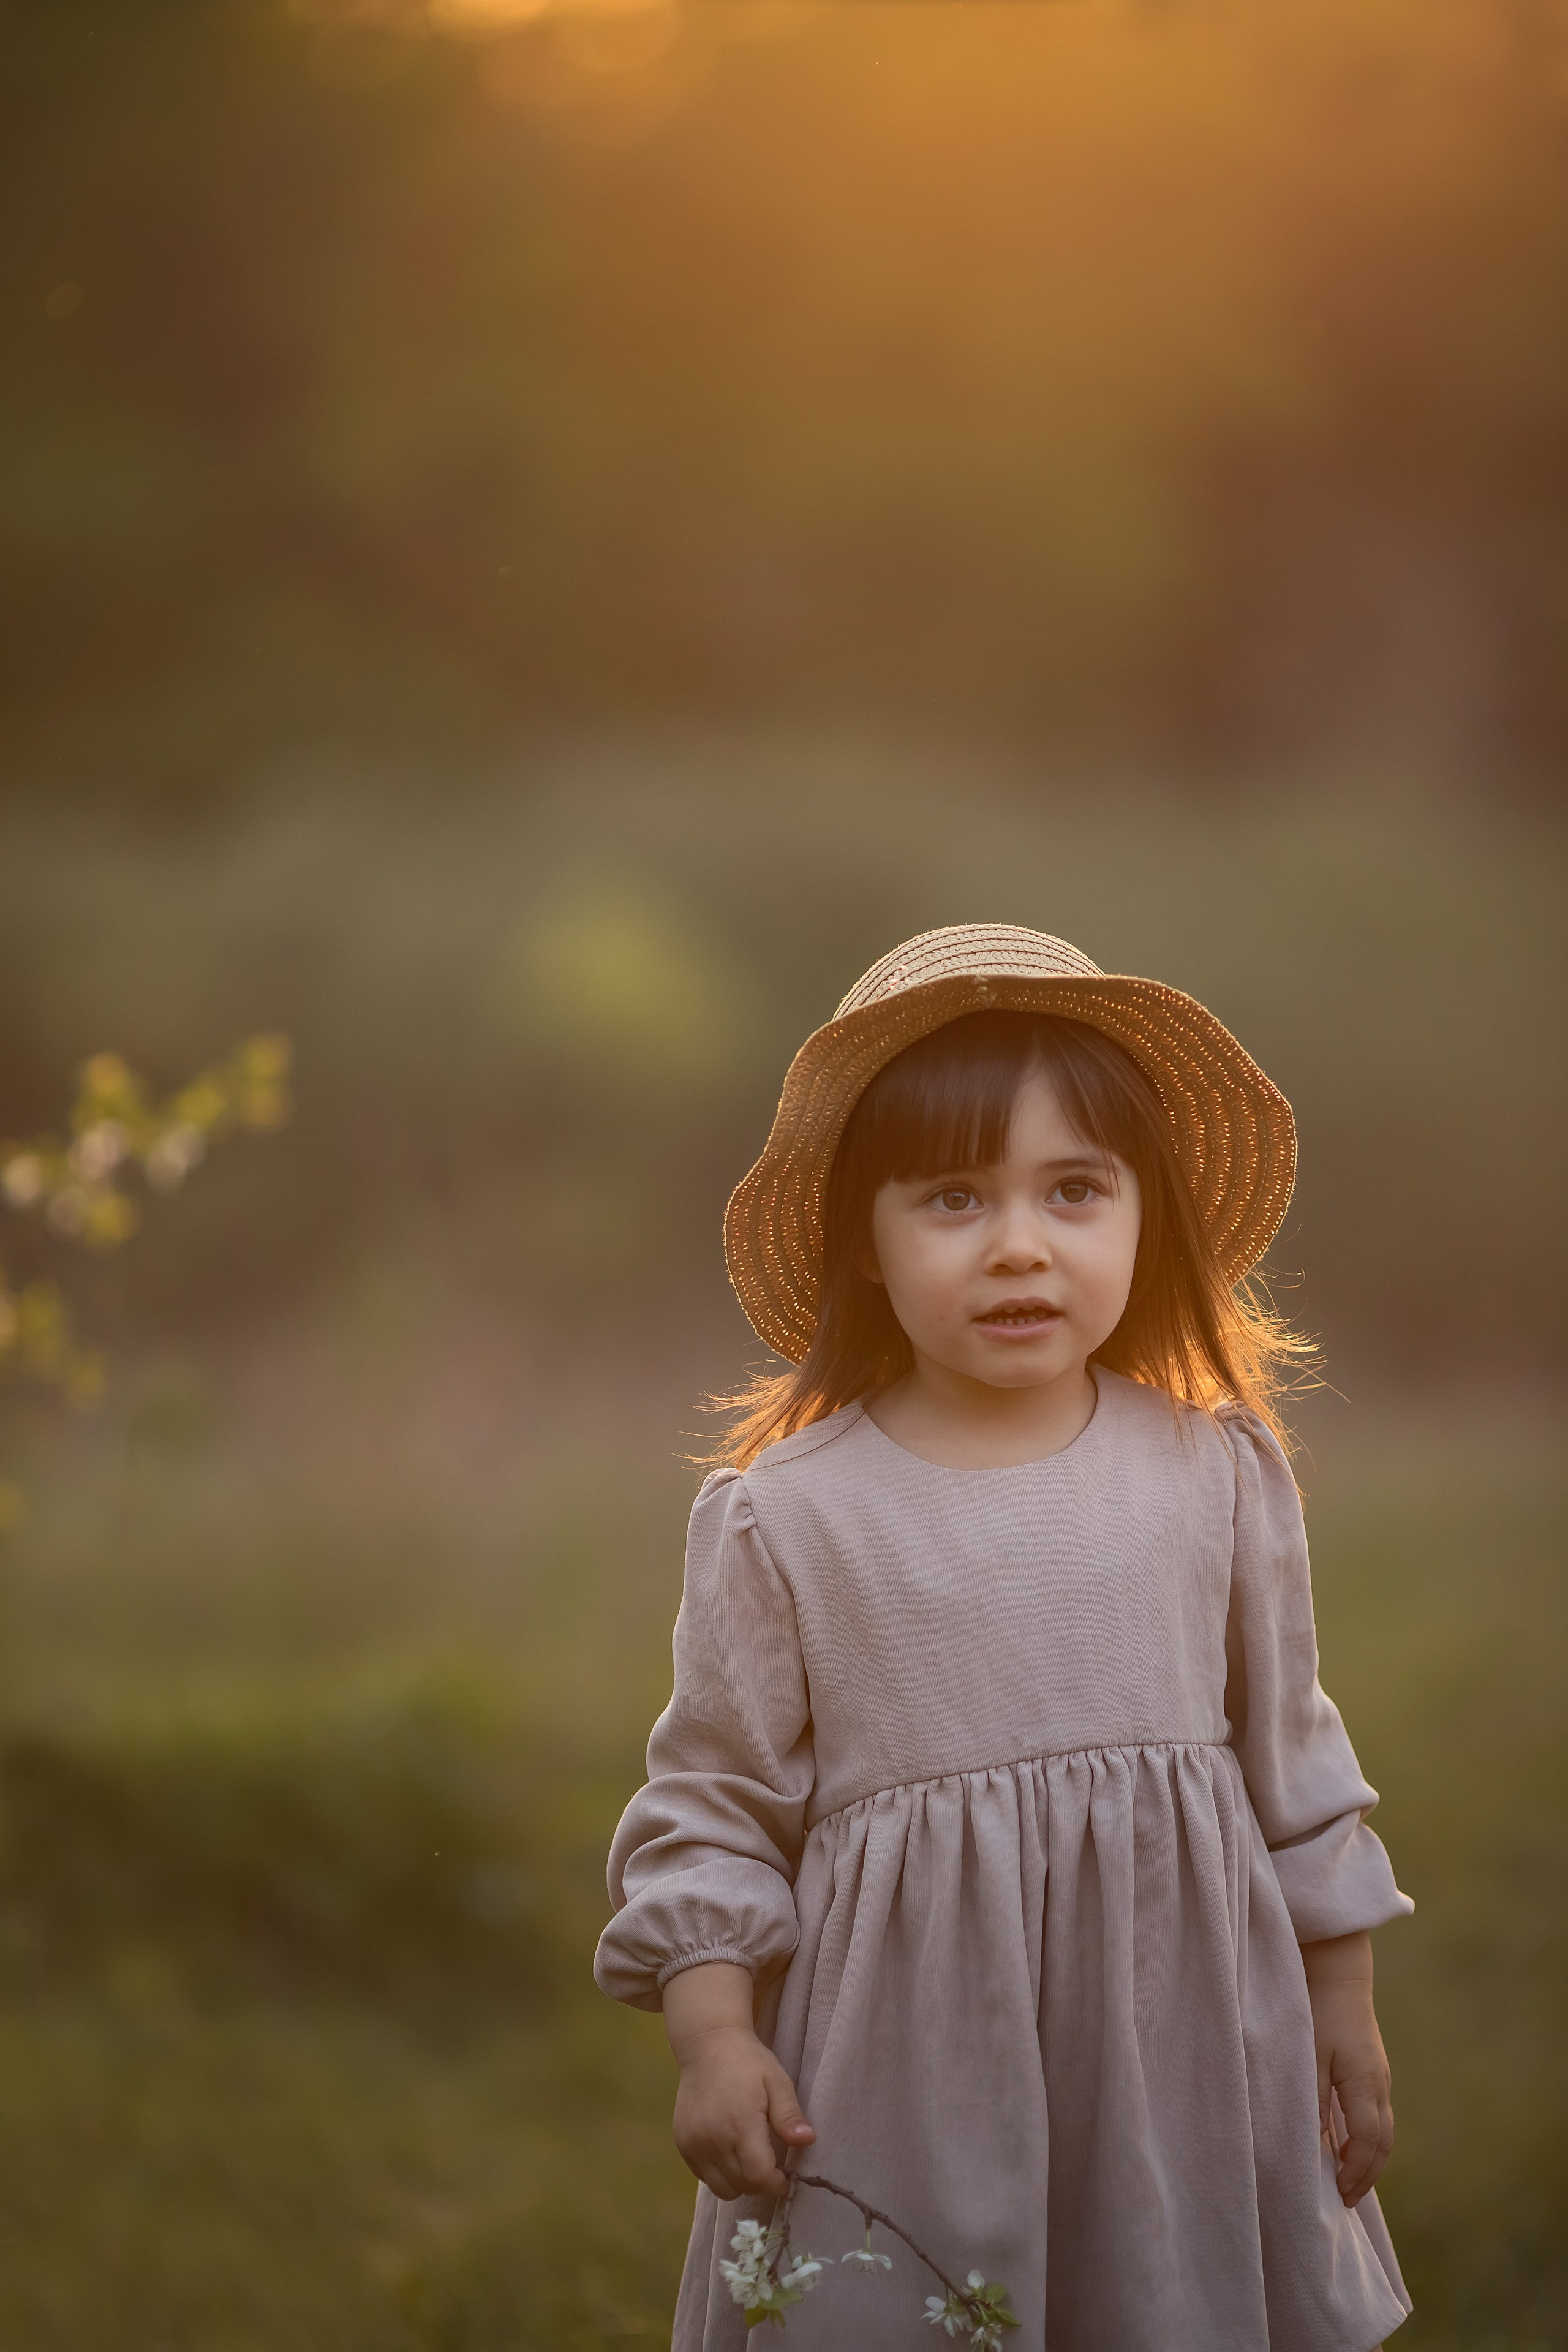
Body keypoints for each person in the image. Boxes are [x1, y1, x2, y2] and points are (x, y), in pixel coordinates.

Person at [594, 924, 1413, 2352]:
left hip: (1174, 2050)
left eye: (1073, 1190)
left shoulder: (1212, 1472)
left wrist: (1339, 2004)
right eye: (953, 1198)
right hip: (906, 2074)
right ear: (864, 1237)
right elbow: (713, 1808)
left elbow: (1294, 1764)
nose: (1019, 1244)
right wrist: (714, 2037)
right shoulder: (790, 1517)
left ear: (1142, 1215)